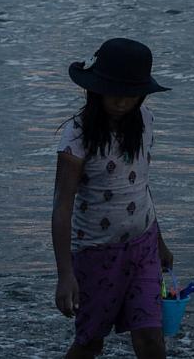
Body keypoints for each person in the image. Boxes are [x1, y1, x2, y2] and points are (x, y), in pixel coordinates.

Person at [53, 38, 173, 359]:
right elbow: (62, 207)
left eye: (130, 94)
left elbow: (141, 187)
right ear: (96, 89)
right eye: (114, 93)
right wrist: (65, 275)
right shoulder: (77, 136)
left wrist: (159, 241)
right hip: (96, 251)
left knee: (150, 337)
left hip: (143, 244)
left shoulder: (145, 121)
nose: (121, 102)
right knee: (91, 341)